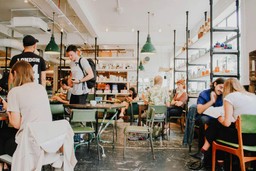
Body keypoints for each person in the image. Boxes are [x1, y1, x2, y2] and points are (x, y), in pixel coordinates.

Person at [0, 60, 52, 170]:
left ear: (15, 74)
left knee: (2, 136)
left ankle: (5, 166)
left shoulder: (14, 92)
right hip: (46, 142)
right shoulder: (41, 89)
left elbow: (16, 124)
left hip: (28, 147)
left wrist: (8, 108)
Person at [195, 78, 256, 168]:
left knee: (216, 126)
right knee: (218, 127)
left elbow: (227, 123)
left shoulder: (230, 97)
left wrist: (219, 117)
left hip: (242, 139)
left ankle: (206, 154)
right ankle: (217, 160)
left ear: (226, 88)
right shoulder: (253, 96)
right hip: (254, 139)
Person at [183, 78, 225, 156]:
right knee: (204, 120)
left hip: (217, 118)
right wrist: (212, 101)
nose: (222, 90)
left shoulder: (223, 95)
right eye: (220, 87)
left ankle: (216, 152)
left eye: (224, 89)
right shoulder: (204, 94)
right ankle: (201, 151)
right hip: (204, 116)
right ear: (215, 84)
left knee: (222, 123)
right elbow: (199, 111)